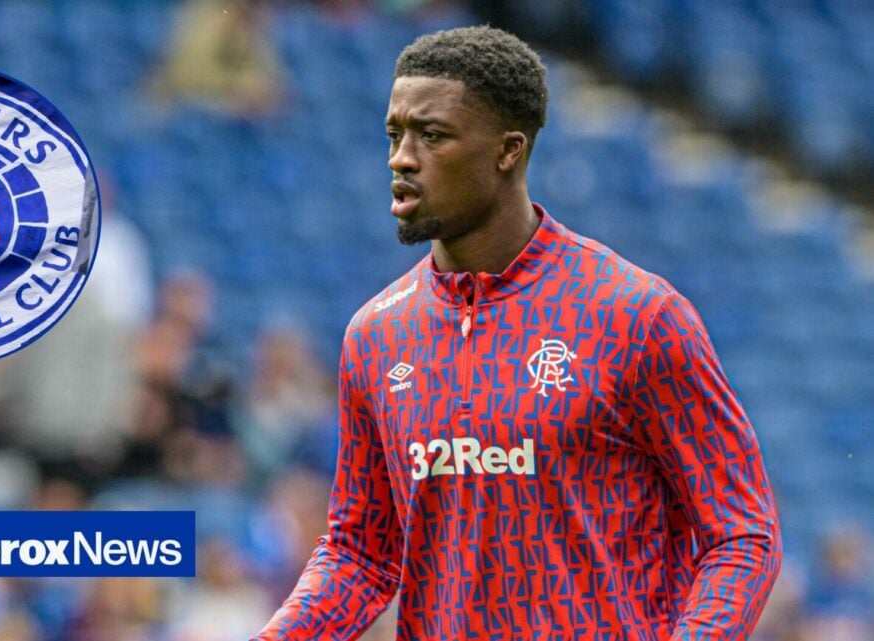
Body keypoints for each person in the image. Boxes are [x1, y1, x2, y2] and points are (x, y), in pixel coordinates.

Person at [253, 25, 780, 640]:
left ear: (508, 151)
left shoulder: (637, 316)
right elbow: (360, 555)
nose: (401, 158)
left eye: (432, 135)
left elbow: (742, 533)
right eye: (395, 135)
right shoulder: (375, 335)